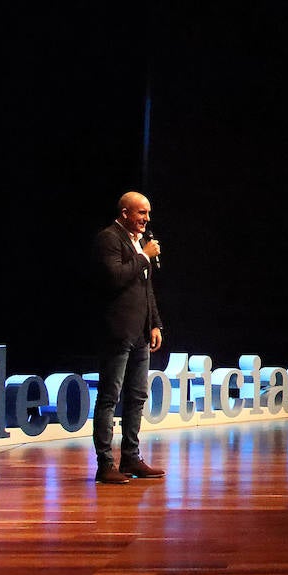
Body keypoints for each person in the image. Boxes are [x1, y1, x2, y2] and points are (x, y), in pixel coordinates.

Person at [91, 192, 165, 484]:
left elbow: (146, 290)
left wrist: (155, 324)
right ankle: (105, 463)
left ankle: (131, 458)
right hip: (118, 331)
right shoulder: (109, 239)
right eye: (141, 213)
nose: (146, 219)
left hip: (140, 333)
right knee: (110, 397)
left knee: (137, 397)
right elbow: (115, 277)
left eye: (147, 214)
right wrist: (144, 256)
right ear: (124, 213)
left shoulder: (137, 243)